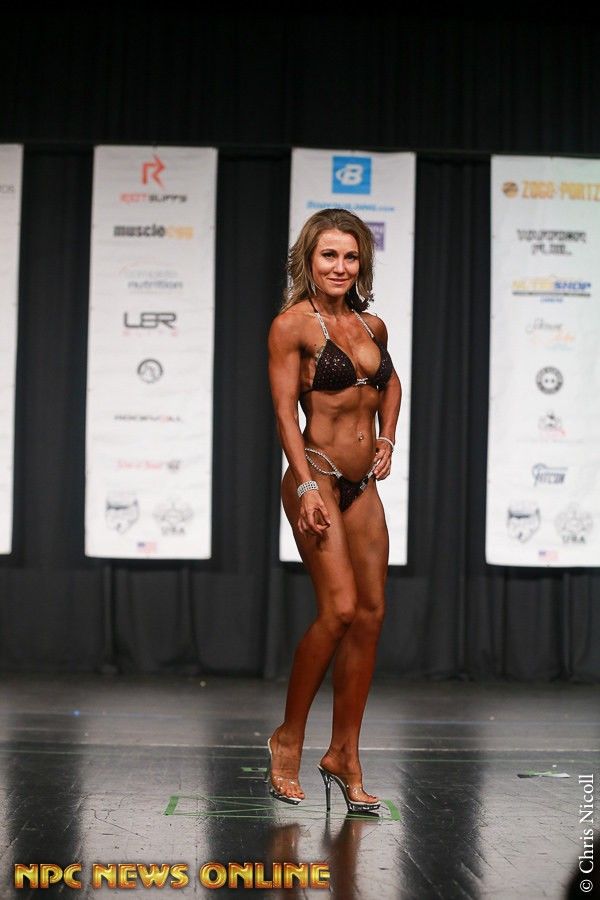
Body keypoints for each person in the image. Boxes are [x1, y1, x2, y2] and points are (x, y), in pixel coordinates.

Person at [266, 208, 402, 813]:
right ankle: (288, 737)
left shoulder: (372, 325)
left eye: (350, 256)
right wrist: (304, 487)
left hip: (361, 485)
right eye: (329, 255)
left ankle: (344, 753)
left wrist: (388, 437)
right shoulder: (292, 326)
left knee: (370, 615)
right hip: (316, 475)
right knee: (340, 609)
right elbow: (283, 415)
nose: (340, 266)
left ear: (361, 262)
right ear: (309, 260)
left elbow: (390, 384)